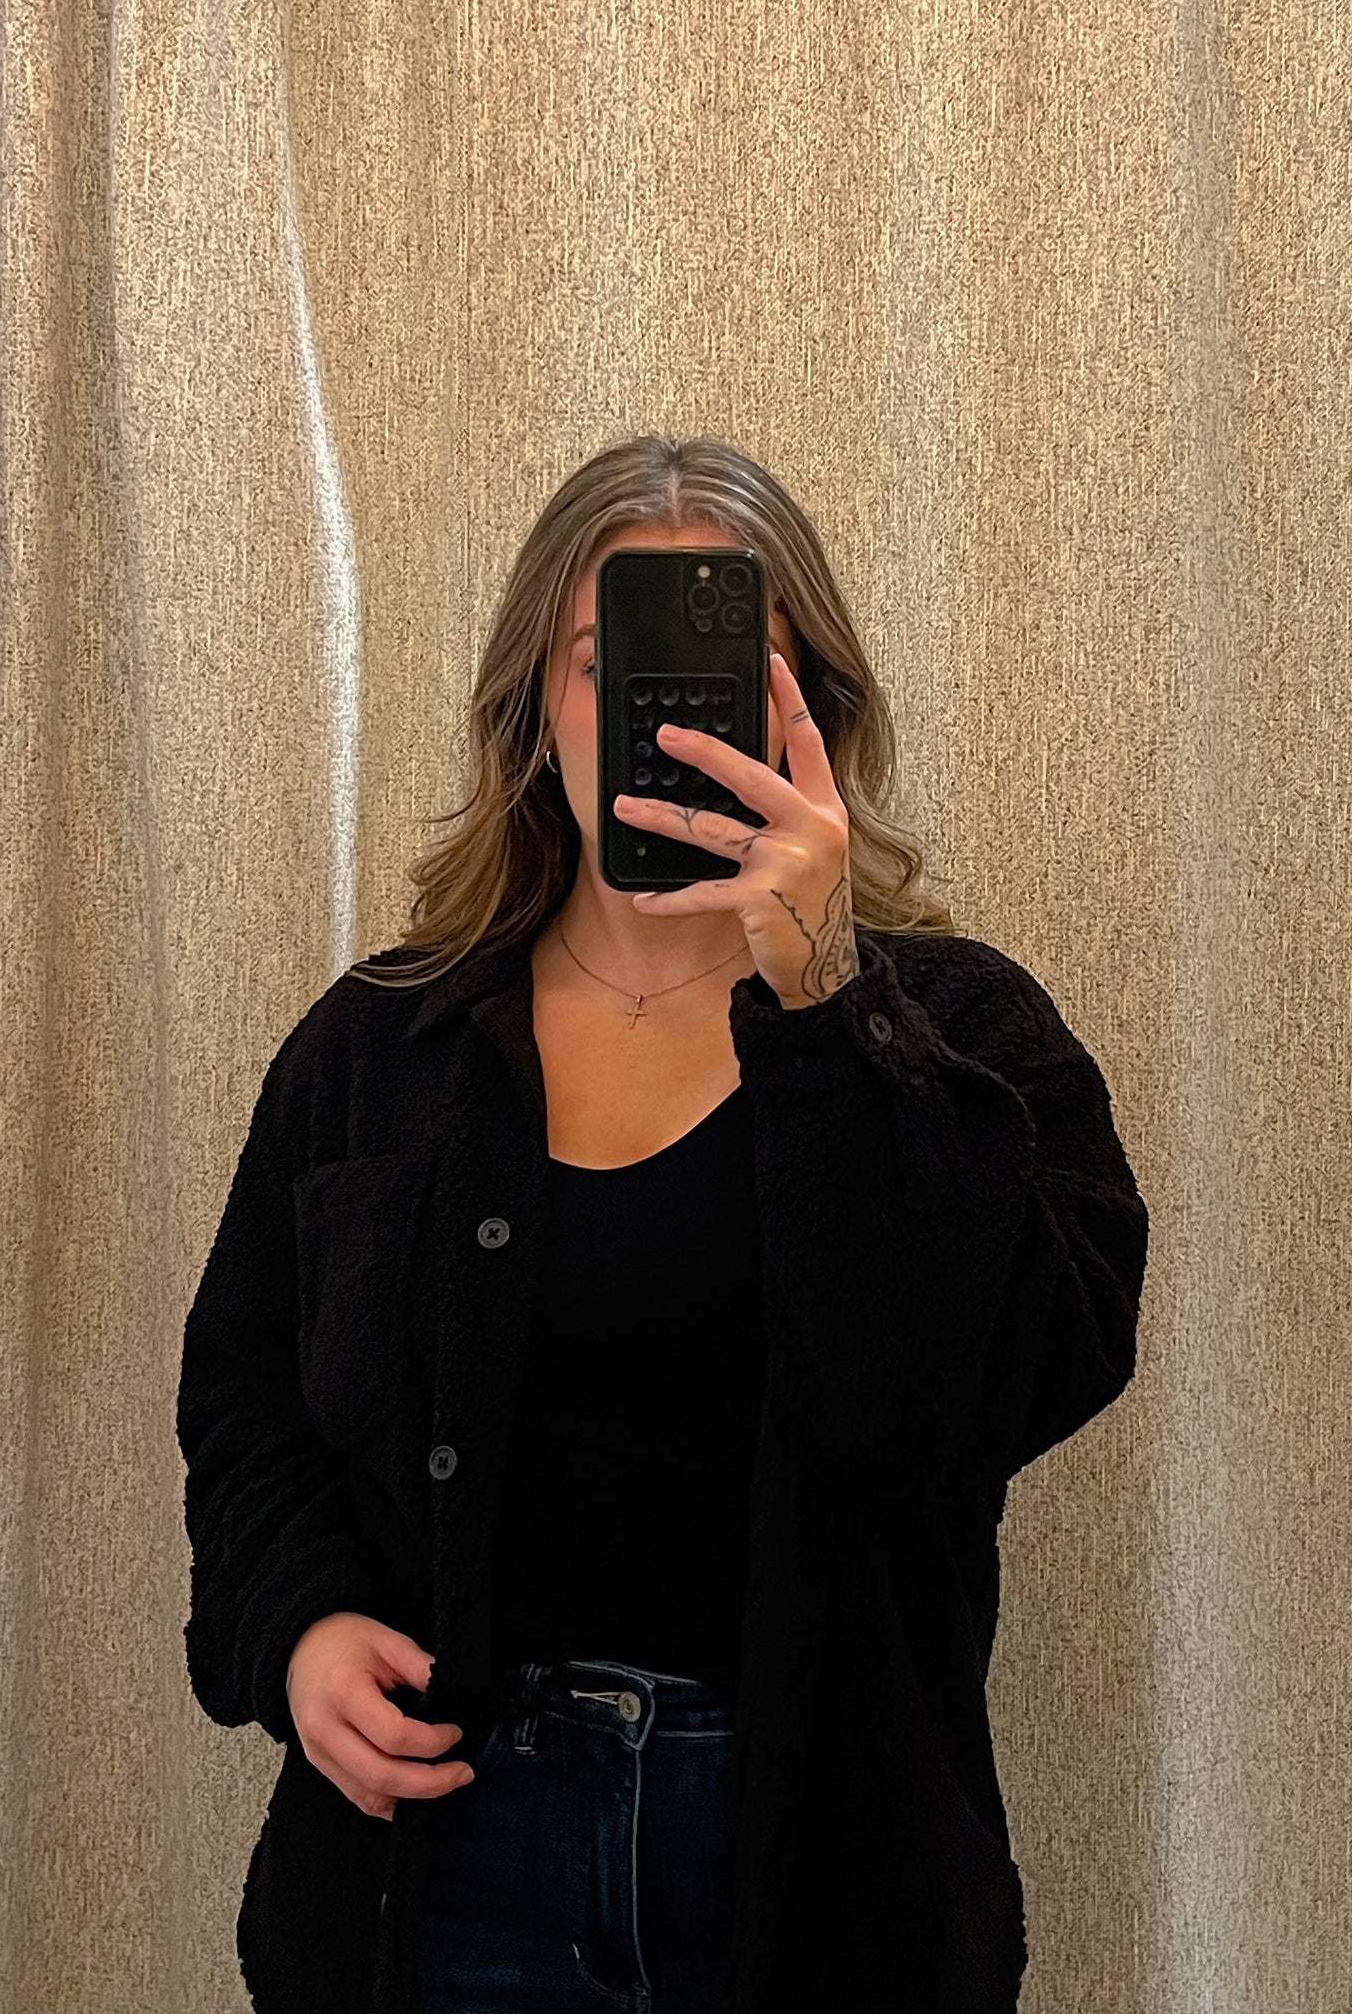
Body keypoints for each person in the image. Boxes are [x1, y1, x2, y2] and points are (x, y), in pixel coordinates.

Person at [176, 434, 1151, 2014]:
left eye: (734, 668)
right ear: (534, 708)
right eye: (603, 660)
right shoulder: (379, 1046)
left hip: (814, 1878)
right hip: (440, 1858)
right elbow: (241, 1394)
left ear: (811, 708)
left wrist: (828, 1003)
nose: (664, 714)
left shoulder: (961, 1034)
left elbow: (1001, 1385)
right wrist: (298, 1623)